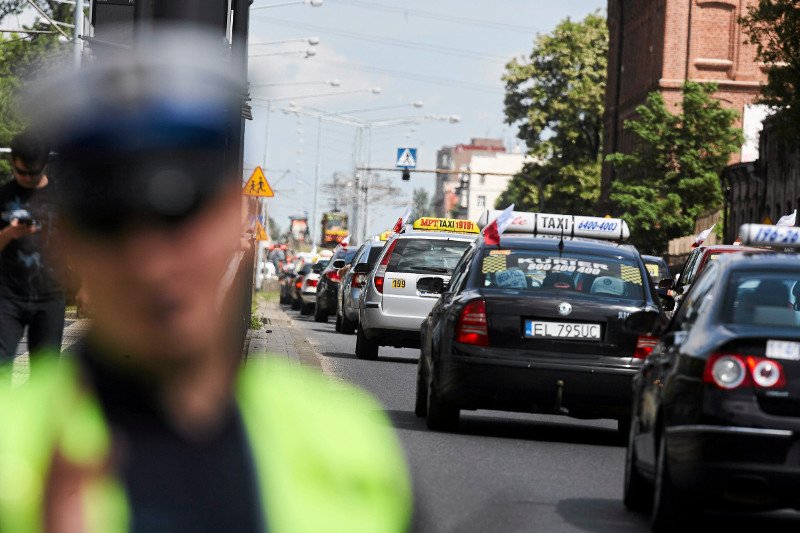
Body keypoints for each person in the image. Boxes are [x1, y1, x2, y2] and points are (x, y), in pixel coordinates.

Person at [0, 27, 412, 533]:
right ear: (66, 243)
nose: (150, 262)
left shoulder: (344, 442)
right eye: (109, 220)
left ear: (238, 224)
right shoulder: (12, 447)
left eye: (179, 212)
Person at [0, 130, 64, 363]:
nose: (27, 178)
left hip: (51, 295)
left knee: (44, 374)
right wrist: (9, 233)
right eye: (21, 172)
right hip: (7, 298)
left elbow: (81, 243)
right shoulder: (3, 196)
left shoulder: (62, 196)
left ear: (45, 164)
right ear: (12, 163)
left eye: (33, 173)